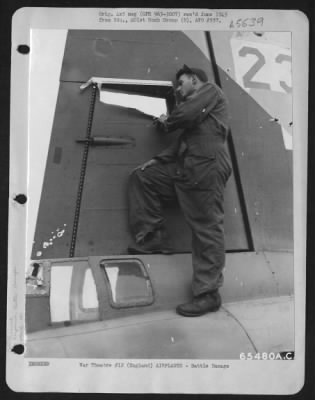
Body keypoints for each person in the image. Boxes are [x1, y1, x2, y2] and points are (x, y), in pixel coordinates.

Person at [127, 64, 232, 317]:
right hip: (188, 169)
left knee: (206, 228)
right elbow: (184, 140)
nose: (178, 88)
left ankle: (208, 294)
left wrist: (167, 120)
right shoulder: (196, 112)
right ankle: (153, 238)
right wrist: (159, 160)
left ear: (195, 81)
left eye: (181, 83)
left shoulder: (210, 91)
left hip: (206, 168)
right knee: (144, 177)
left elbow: (183, 118)